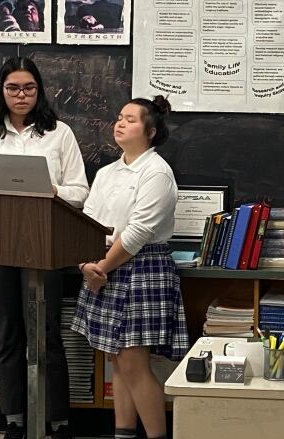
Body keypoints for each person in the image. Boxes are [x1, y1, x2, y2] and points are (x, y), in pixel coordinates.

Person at [0, 56, 89, 439]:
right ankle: (15, 418)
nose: (21, 95)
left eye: (29, 88)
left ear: (39, 91)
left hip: (45, 244)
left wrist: (51, 191)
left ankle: (56, 420)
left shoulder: (59, 133)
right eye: (13, 88)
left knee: (45, 331)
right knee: (8, 331)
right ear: (1, 91)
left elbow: (81, 193)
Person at [71, 96, 189, 439]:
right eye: (119, 118)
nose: (120, 124)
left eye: (131, 120)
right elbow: (87, 221)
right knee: (118, 363)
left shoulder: (157, 172)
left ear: (150, 131)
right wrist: (86, 264)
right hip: (102, 265)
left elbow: (138, 232)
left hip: (140, 268)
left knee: (135, 365)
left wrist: (100, 268)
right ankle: (123, 434)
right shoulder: (108, 172)